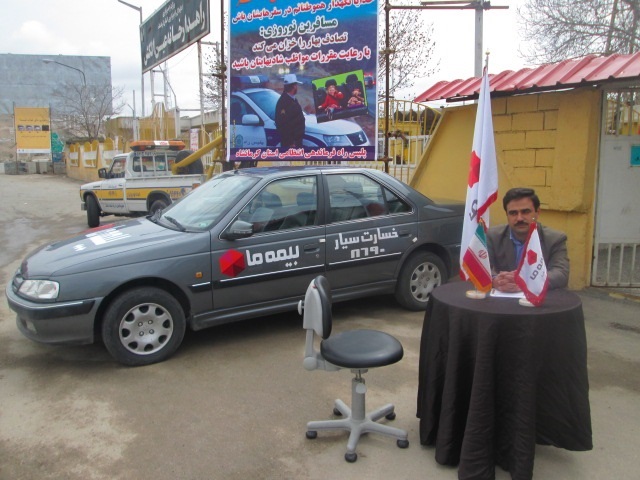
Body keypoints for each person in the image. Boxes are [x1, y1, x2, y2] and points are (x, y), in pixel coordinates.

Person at [487, 187, 569, 293]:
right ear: (507, 215)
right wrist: (495, 280)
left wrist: (525, 281)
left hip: (540, 298)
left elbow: (561, 274)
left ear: (537, 212)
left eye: (525, 212)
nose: (519, 218)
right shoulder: (493, 236)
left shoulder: (555, 239)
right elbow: (481, 268)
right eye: (513, 213)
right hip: (504, 296)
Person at [275, 73, 305, 148]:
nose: (297, 87)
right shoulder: (283, 102)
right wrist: (290, 142)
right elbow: (282, 125)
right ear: (294, 86)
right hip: (291, 144)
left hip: (297, 142)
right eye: (296, 85)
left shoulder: (293, 99)